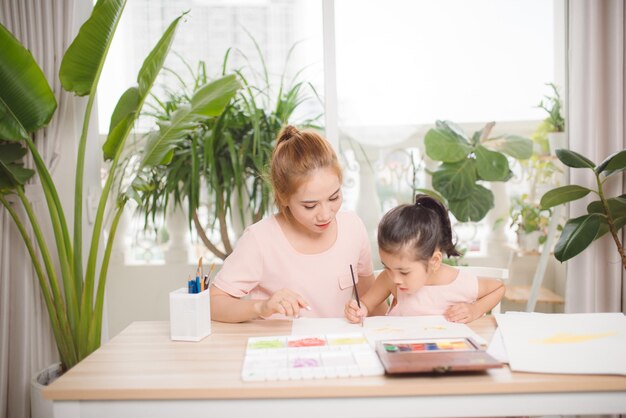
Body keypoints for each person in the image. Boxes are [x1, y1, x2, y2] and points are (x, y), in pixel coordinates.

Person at [210, 125, 378, 322]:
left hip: (338, 347)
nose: (325, 215)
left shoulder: (352, 228)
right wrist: (261, 307)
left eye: (334, 198)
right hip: (283, 349)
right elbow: (214, 304)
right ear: (283, 198)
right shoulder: (260, 240)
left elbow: (372, 300)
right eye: (310, 205)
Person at [345, 194, 505, 324]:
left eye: (404, 272)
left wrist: (475, 310)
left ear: (434, 261)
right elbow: (366, 304)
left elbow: (499, 288)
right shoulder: (390, 280)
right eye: (387, 267)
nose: (395, 278)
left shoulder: (459, 283)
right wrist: (358, 310)